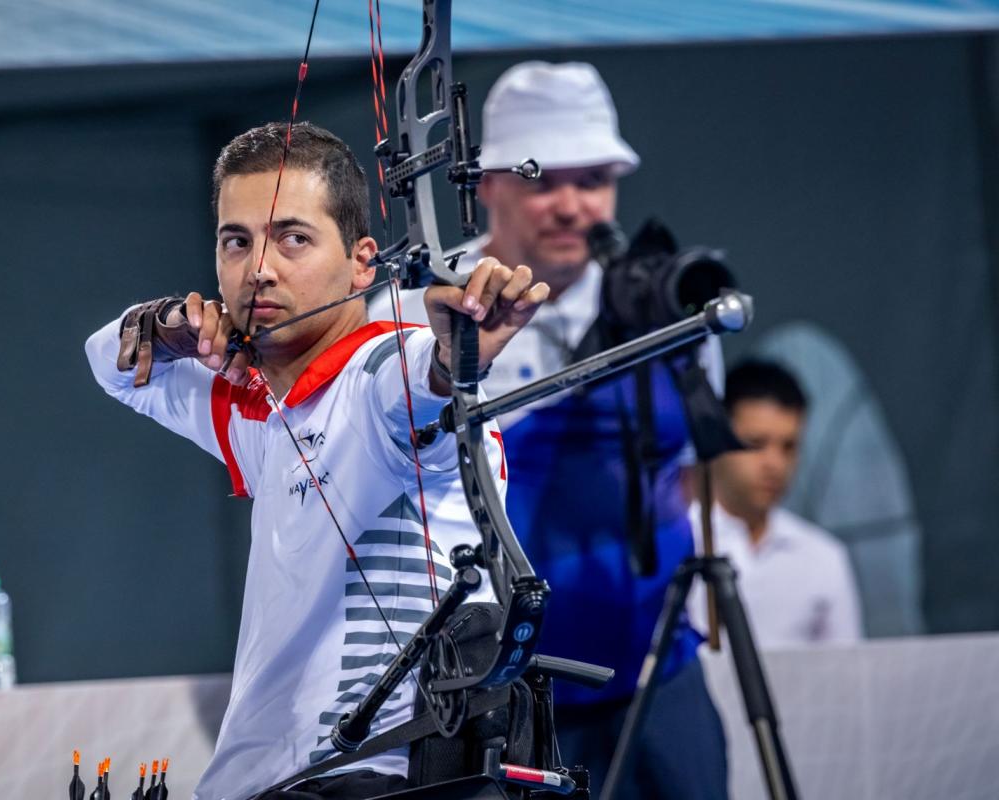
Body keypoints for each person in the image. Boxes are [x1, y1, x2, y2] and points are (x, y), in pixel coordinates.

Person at [85, 121, 548, 800]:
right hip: (279, 779)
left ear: (364, 262)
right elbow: (108, 363)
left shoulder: (375, 374)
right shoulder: (254, 405)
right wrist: (160, 325)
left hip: (380, 772)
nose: (259, 268)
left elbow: (417, 383)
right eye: (236, 242)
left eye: (292, 238)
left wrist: (455, 360)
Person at [370, 61, 728, 799]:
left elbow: (690, 474)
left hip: (656, 677)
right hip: (490, 697)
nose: (571, 205)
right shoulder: (413, 313)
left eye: (592, 179)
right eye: (543, 179)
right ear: (486, 183)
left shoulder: (667, 304)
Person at [688, 359, 863, 648]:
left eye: (789, 447)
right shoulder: (682, 542)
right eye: (755, 443)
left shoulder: (823, 557)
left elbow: (846, 676)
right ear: (717, 438)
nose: (774, 464)